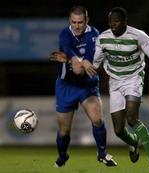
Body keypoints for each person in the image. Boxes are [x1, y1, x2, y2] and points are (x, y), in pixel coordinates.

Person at [83, 7, 149, 167]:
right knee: (119, 130)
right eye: (110, 21)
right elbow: (95, 64)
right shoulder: (103, 38)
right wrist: (80, 65)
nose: (113, 24)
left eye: (117, 21)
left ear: (125, 22)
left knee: (132, 118)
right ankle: (133, 142)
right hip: (114, 82)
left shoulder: (139, 36)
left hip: (134, 78)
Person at [49, 5, 117, 167]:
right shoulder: (65, 34)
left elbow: (84, 66)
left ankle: (102, 153)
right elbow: (79, 66)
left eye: (80, 22)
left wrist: (69, 59)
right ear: (70, 21)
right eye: (74, 22)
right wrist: (75, 60)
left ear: (87, 20)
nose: (77, 26)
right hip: (66, 86)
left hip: (87, 85)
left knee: (97, 119)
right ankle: (62, 156)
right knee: (64, 131)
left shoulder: (94, 34)